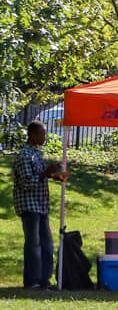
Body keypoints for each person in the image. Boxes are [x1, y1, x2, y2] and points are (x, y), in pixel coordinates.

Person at [9, 120, 65, 291]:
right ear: (32, 135)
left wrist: (54, 175)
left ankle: (44, 281)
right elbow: (26, 182)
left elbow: (40, 176)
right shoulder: (25, 155)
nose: (45, 136)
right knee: (34, 245)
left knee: (47, 245)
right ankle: (32, 282)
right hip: (29, 206)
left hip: (41, 205)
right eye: (42, 133)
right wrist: (46, 173)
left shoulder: (36, 154)